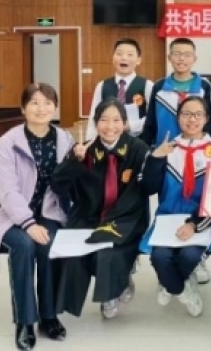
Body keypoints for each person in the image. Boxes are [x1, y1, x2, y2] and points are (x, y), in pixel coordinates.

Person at [0, 83, 73, 351]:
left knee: (50, 243)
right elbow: (8, 191)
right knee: (25, 245)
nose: (41, 108)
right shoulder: (8, 142)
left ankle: (49, 316)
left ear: (55, 107)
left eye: (48, 102)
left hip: (48, 209)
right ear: (23, 108)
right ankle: (25, 321)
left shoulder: (65, 139)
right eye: (34, 103)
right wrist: (28, 224)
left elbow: (69, 179)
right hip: (9, 214)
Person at [52, 99, 150, 319]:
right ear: (96, 123)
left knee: (106, 253)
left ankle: (115, 289)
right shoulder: (84, 149)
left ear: (124, 123)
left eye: (116, 120)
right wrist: (74, 161)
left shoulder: (138, 149)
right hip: (89, 216)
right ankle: (65, 305)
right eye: (104, 120)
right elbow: (58, 186)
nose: (110, 127)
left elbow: (142, 192)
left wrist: (111, 223)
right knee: (75, 254)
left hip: (125, 217)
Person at [141, 96, 211, 316]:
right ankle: (181, 288)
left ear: (206, 119)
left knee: (188, 256)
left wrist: (194, 224)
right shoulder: (167, 149)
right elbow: (148, 188)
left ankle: (169, 282)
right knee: (159, 257)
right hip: (167, 220)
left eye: (198, 114)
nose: (192, 119)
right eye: (186, 114)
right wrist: (155, 158)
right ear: (178, 118)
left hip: (201, 220)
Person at [142, 37, 211, 146]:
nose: (181, 59)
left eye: (187, 55)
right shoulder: (159, 87)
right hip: (164, 147)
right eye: (176, 54)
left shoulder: (204, 86)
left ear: (194, 59)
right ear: (169, 57)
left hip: (196, 149)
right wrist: (147, 149)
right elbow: (150, 122)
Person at [86, 38, 154, 140]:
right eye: (119, 54)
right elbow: (93, 118)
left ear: (138, 60)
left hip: (138, 142)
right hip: (108, 141)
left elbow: (152, 117)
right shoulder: (102, 86)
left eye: (130, 54)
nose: (124, 58)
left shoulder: (147, 85)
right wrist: (89, 142)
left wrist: (130, 125)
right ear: (113, 58)